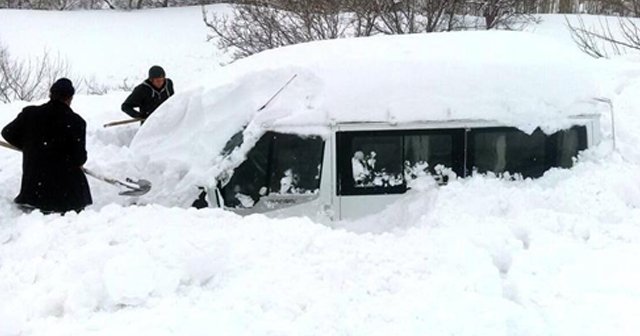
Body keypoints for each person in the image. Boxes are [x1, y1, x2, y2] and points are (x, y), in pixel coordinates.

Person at [1, 78, 92, 213]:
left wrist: (29, 146)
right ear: (70, 98)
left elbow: (7, 133)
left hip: (33, 191)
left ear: (51, 94)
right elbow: (79, 158)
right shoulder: (76, 122)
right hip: (64, 196)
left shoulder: (30, 114)